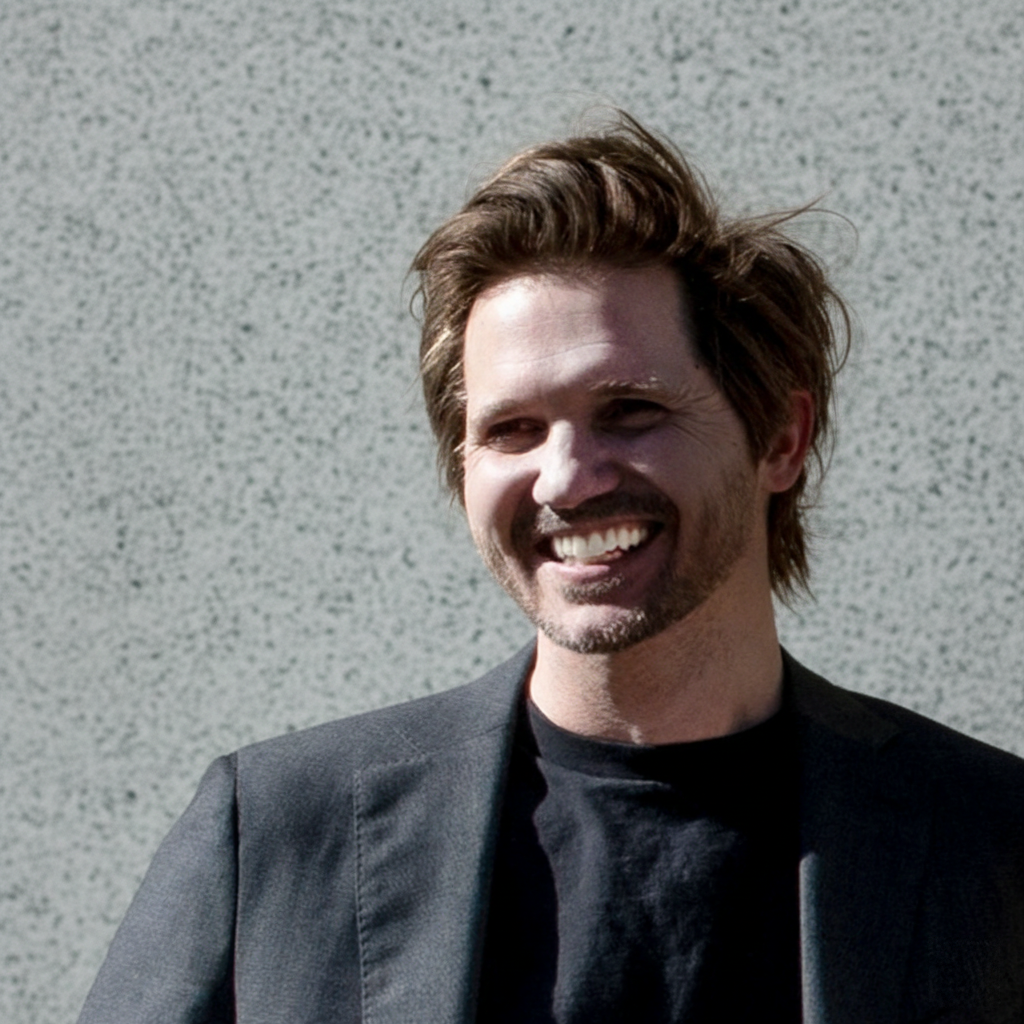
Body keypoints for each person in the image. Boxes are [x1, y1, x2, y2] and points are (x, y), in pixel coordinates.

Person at [78, 113, 1024, 1024]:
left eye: (631, 411)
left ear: (780, 436)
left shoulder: (991, 840)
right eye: (513, 430)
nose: (566, 479)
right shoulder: (276, 834)